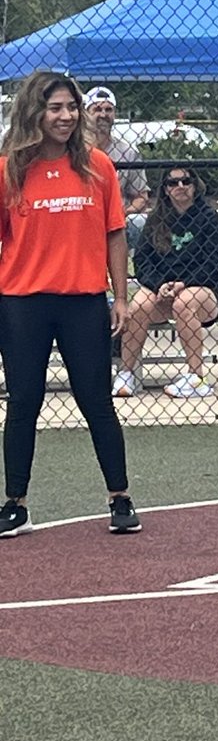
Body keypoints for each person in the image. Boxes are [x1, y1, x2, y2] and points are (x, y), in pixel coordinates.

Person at [0, 71, 141, 537]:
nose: (65, 116)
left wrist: (120, 297)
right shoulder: (8, 169)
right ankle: (16, 503)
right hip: (22, 302)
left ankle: (119, 498)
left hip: (83, 301)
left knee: (97, 402)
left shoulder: (98, 165)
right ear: (33, 112)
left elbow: (115, 234)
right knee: (24, 402)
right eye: (54, 108)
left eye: (70, 107)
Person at [114, 167, 218, 399]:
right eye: (172, 183)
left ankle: (196, 377)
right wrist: (159, 286)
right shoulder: (156, 220)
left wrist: (183, 283)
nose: (180, 187)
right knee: (138, 306)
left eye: (186, 181)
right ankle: (126, 374)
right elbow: (143, 260)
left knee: (184, 303)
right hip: (163, 289)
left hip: (205, 290)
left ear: (195, 186)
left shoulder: (211, 219)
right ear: (165, 189)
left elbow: (215, 263)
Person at [83, 85, 150, 249]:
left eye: (109, 109)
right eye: (97, 109)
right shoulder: (73, 150)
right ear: (86, 114)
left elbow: (142, 196)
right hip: (81, 216)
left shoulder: (128, 152)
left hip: (118, 218)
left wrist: (123, 213)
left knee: (139, 222)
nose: (103, 115)